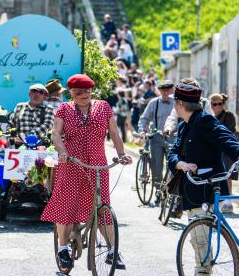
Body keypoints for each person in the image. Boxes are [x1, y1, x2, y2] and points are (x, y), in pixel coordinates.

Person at [41, 74, 132, 270]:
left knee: (103, 207)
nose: (84, 95)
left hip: (98, 164)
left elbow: (114, 133)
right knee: (67, 206)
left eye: (87, 91)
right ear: (71, 93)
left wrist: (122, 154)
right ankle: (63, 249)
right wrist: (62, 152)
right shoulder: (64, 108)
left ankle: (112, 251)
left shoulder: (103, 107)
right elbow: (55, 134)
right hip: (72, 163)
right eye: (78, 92)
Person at [167, 83, 239, 275]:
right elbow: (172, 152)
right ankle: (204, 269)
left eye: (175, 102)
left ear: (180, 103)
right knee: (199, 239)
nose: (174, 106)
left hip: (208, 189)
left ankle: (203, 271)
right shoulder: (184, 126)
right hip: (194, 189)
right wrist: (180, 164)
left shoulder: (204, 120)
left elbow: (224, 136)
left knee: (200, 239)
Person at [138, 80, 175, 194]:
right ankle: (158, 191)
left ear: (172, 90)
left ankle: (170, 190)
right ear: (159, 91)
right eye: (163, 90)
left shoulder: (177, 103)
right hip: (156, 137)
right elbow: (144, 119)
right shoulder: (154, 103)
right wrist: (142, 130)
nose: (165, 93)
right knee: (157, 166)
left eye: (168, 90)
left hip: (172, 137)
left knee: (173, 165)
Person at [210, 93, 238, 213]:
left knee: (227, 176)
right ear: (211, 105)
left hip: (227, 150)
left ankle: (228, 203)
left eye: (219, 104)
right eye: (214, 104)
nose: (217, 106)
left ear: (223, 104)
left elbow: (229, 132)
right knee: (216, 176)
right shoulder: (211, 117)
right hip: (215, 150)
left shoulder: (228, 115)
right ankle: (218, 201)